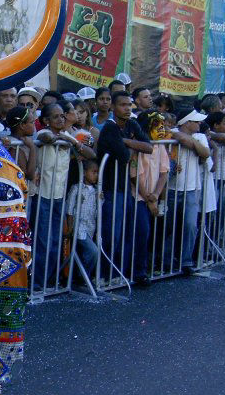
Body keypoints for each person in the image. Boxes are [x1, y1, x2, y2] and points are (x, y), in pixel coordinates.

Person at [32, 103, 95, 289]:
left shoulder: (68, 137)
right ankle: (37, 281)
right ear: (45, 120)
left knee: (55, 240)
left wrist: (73, 141)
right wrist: (58, 137)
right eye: (56, 116)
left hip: (59, 196)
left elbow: (91, 154)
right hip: (43, 195)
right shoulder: (42, 135)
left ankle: (50, 280)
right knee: (43, 239)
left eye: (62, 116)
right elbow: (45, 137)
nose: (61, 119)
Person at [97, 91, 152, 281]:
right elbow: (126, 156)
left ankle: (119, 273)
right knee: (112, 234)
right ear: (113, 107)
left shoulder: (131, 123)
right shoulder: (110, 128)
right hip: (111, 188)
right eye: (123, 105)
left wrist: (127, 141)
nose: (127, 108)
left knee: (126, 234)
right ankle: (105, 275)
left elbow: (149, 146)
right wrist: (132, 146)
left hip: (125, 188)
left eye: (129, 105)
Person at [164, 109, 210, 273]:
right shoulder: (170, 133)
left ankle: (186, 261)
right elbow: (173, 137)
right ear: (187, 122)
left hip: (192, 189)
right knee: (169, 227)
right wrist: (184, 139)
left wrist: (188, 141)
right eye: (196, 121)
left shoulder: (201, 136)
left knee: (190, 225)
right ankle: (165, 260)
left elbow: (205, 152)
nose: (199, 124)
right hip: (171, 188)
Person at [127, 110, 169, 286]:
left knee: (151, 233)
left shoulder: (160, 145)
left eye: (162, 124)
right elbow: (135, 174)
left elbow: (164, 172)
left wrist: (156, 195)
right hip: (138, 197)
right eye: (156, 124)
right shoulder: (139, 147)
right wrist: (148, 197)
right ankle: (138, 271)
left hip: (153, 197)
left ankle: (147, 267)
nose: (161, 128)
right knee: (141, 232)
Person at [67, 159, 99, 276]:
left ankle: (80, 276)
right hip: (79, 228)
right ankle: (83, 275)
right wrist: (70, 227)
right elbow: (69, 209)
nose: (96, 175)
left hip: (91, 227)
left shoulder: (96, 191)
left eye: (97, 172)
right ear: (85, 172)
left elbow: (98, 209)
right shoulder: (76, 188)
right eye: (93, 172)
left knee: (85, 253)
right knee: (93, 251)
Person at [3, 106, 37, 181]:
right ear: (22, 125)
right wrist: (32, 148)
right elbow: (29, 175)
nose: (34, 125)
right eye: (32, 122)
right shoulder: (14, 147)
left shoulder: (21, 142)